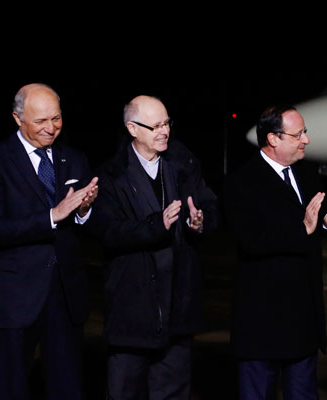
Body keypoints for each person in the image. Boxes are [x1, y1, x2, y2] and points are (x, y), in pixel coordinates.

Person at [0, 83, 99, 399]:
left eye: (56, 119)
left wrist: (84, 211)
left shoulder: (75, 158)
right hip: (12, 300)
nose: (51, 128)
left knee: (67, 388)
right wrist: (52, 216)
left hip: (65, 297)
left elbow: (89, 226)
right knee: (10, 388)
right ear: (18, 119)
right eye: (40, 121)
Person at [224, 105, 327, 400]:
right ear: (273, 139)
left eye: (304, 133)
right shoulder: (241, 182)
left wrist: (326, 222)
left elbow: (311, 226)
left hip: (303, 322)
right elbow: (252, 241)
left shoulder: (306, 174)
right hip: (262, 325)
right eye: (298, 134)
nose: (306, 140)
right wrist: (304, 228)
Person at [93, 95, 218, 399]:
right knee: (124, 391)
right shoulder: (111, 175)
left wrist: (199, 223)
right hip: (132, 311)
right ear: (132, 129)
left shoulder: (183, 163)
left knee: (173, 391)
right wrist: (156, 225)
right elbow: (108, 231)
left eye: (167, 123)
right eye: (155, 126)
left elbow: (210, 206)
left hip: (177, 307)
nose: (164, 131)